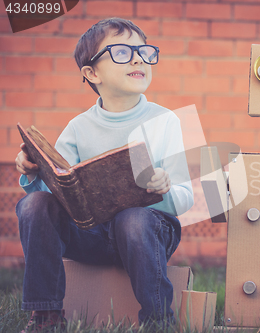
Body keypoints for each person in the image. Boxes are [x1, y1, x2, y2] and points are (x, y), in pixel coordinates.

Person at [14, 17, 193, 332]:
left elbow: (186, 200)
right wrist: (33, 173)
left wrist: (162, 189)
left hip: (147, 235)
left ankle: (158, 321)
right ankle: (46, 316)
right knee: (34, 203)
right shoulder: (78, 127)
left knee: (133, 218)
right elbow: (59, 193)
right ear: (91, 72)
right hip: (92, 236)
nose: (139, 58)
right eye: (122, 52)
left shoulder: (166, 121)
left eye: (144, 51)